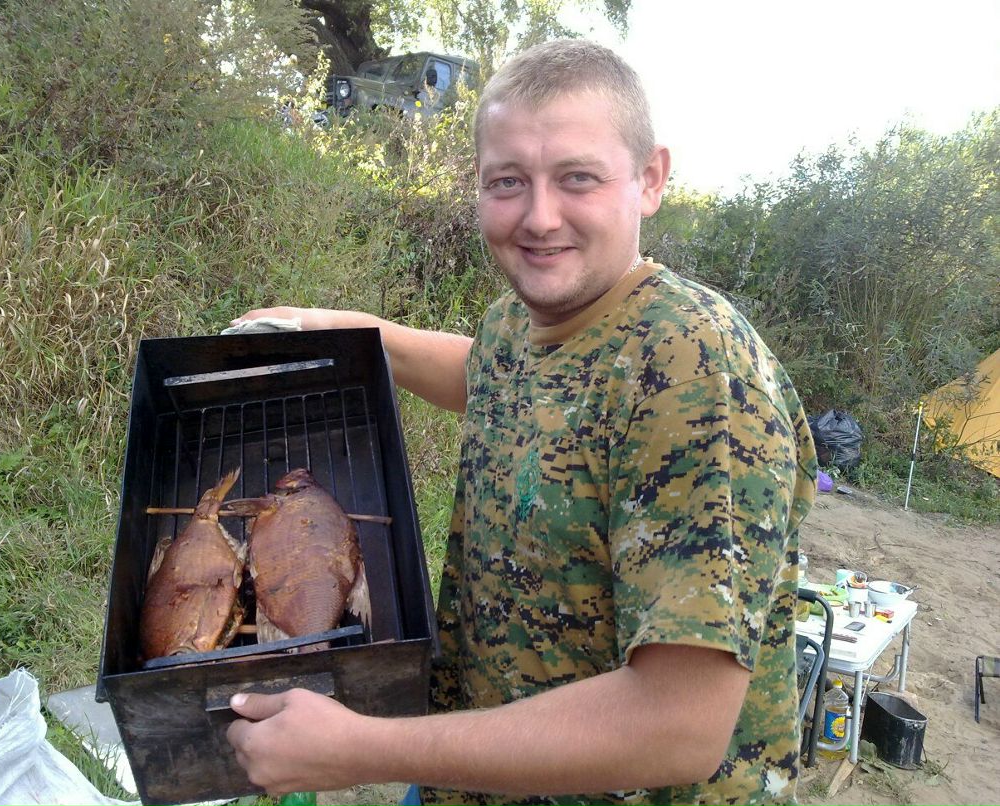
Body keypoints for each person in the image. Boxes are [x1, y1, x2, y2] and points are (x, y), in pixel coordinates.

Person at [225, 38, 817, 805]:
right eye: (508, 182)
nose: (539, 217)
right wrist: (335, 325)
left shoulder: (696, 371)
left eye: (577, 178)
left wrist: (362, 748)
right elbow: (487, 371)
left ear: (649, 179)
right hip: (474, 769)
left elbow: (680, 724)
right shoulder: (531, 320)